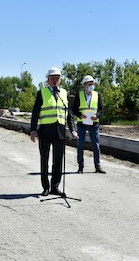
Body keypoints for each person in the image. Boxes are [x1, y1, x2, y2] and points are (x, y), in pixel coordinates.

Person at [30, 67, 78, 196]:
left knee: (58, 161)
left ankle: (55, 187)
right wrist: (33, 130)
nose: (55, 80)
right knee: (44, 160)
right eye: (53, 78)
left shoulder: (64, 93)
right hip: (45, 131)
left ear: (60, 79)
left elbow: (69, 114)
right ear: (48, 80)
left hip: (60, 131)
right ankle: (45, 187)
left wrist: (73, 130)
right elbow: (35, 113)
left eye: (57, 78)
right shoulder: (42, 93)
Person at [72, 75, 106, 174]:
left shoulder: (97, 95)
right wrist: (80, 115)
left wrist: (97, 115)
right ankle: (80, 167)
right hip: (82, 123)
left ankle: (98, 167)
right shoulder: (79, 95)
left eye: (93, 84)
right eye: (90, 84)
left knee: (96, 145)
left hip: (94, 123)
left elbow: (101, 109)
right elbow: (74, 109)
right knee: (80, 145)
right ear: (84, 85)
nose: (92, 86)